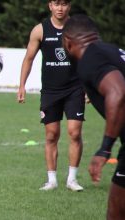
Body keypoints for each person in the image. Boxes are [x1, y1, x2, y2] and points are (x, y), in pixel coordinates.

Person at [17, 0, 85, 191]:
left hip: (75, 89)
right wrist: (21, 85)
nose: (60, 8)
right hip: (50, 91)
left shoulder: (78, 29)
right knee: (51, 135)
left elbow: (87, 58)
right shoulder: (40, 30)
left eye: (64, 4)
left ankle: (72, 179)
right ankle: (52, 180)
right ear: (50, 6)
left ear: (69, 6)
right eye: (56, 4)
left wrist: (89, 86)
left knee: (75, 132)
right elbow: (28, 58)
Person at [62, 14, 125, 220]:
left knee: (117, 209)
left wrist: (105, 148)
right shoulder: (112, 50)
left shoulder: (90, 58)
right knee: (117, 206)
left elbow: (118, 92)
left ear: (68, 42)